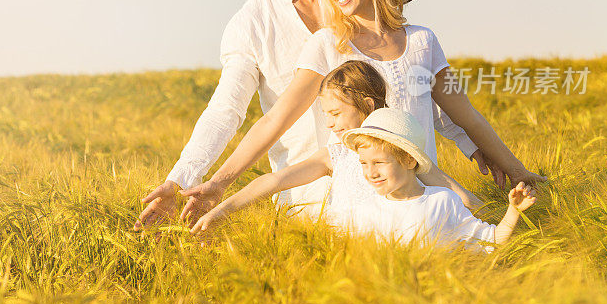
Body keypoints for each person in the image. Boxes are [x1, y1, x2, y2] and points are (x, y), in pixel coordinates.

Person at [134, 0, 488, 231]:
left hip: (403, 190)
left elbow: (410, 81)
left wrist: (473, 145)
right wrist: (184, 179)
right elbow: (226, 111)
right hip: (309, 198)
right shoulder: (250, 25)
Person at [180, 0, 546, 224]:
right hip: (361, 207)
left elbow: (465, 115)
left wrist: (516, 170)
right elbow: (276, 119)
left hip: (424, 199)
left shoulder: (423, 41)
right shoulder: (326, 45)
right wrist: (217, 183)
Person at [189, 61, 480, 236]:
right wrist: (222, 211)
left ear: (367, 106)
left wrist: (501, 218)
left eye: (336, 114)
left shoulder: (398, 153)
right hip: (342, 254)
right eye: (325, 114)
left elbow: (457, 195)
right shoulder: (336, 154)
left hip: (392, 253)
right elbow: (275, 180)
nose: (329, 124)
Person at [193, 107, 538, 249]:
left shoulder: (440, 203)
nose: (370, 172)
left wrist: (513, 211)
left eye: (379, 163)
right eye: (363, 164)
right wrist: (221, 215)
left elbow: (491, 242)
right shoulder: (364, 211)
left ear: (407, 159)